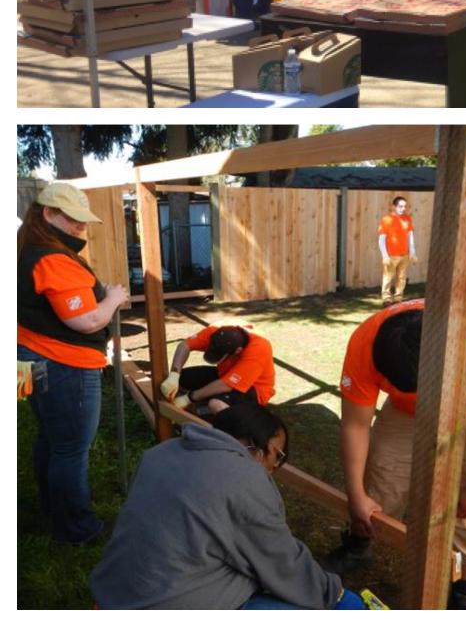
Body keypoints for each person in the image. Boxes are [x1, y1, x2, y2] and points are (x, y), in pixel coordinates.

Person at [90, 405, 364, 609]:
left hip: (112, 592)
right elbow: (282, 563)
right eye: (278, 456)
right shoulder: (246, 479)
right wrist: (336, 596)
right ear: (258, 446)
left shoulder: (160, 452)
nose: (275, 467)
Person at [336, 300, 466, 609]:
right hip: (404, 413)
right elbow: (355, 425)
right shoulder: (365, 341)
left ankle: (464, 588)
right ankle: (357, 545)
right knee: (380, 478)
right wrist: (355, 494)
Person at [17, 183, 130, 544]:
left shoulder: (29, 248)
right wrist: (112, 298)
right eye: (72, 219)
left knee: (53, 439)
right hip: (64, 363)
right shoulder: (52, 259)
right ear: (47, 213)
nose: (81, 227)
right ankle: (77, 529)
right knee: (71, 448)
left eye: (83, 220)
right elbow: (86, 321)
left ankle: (53, 510)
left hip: (35, 356)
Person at [161, 323, 275, 413]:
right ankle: (207, 403)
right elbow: (184, 345)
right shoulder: (216, 330)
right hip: (224, 375)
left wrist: (189, 398)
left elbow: (226, 385)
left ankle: (239, 422)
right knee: (183, 377)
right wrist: (174, 375)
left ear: (237, 351)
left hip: (254, 389)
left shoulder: (258, 349)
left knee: (216, 404)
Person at [377, 196, 417, 304]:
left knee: (402, 277)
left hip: (404, 254)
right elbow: (381, 240)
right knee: (388, 277)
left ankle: (398, 298)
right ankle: (386, 298)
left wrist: (413, 253)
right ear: (394, 206)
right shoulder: (387, 220)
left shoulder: (407, 219)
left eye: (405, 206)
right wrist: (385, 256)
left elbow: (410, 236)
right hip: (391, 255)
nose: (403, 208)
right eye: (400, 206)